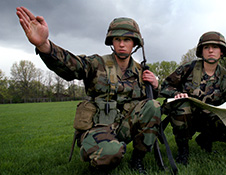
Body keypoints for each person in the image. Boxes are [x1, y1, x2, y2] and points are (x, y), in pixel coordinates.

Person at [16, 6, 161, 174]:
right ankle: (102, 156)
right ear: (111, 42)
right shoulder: (96, 63)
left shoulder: (141, 72)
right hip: (98, 127)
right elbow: (72, 66)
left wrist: (155, 86)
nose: (122, 44)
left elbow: (148, 107)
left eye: (127, 40)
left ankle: (137, 160)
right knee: (110, 153)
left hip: (124, 127)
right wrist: (45, 46)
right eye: (117, 39)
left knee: (154, 105)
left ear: (135, 43)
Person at [160, 31, 226, 165]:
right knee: (182, 107)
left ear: (222, 52)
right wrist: (176, 94)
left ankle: (206, 139)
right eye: (206, 47)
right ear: (201, 51)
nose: (211, 51)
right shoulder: (189, 68)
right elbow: (166, 86)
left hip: (210, 117)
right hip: (188, 116)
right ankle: (183, 150)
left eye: (215, 47)